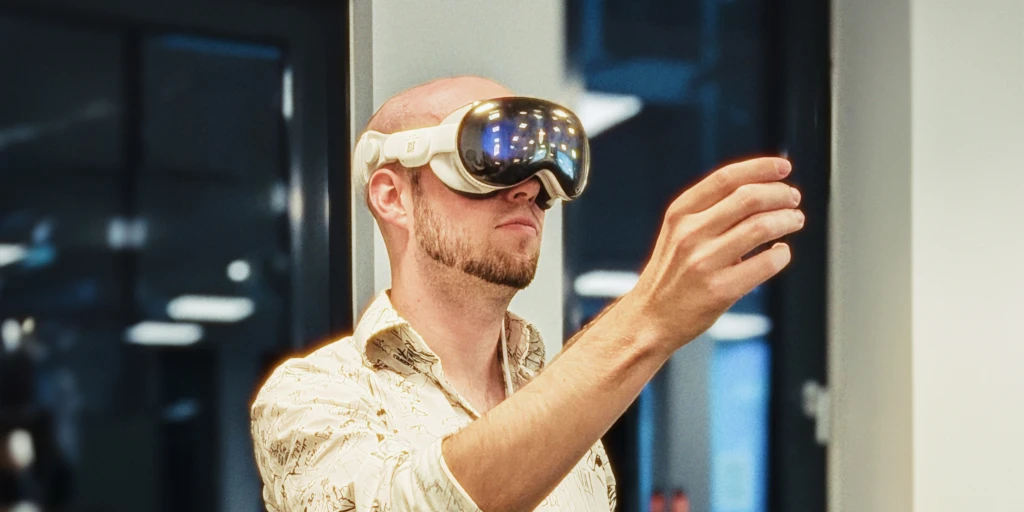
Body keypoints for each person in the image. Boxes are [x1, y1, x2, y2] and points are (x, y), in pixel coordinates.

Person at [250, 76, 805, 511]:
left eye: (547, 165)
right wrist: (644, 322)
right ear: (393, 197)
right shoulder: (312, 397)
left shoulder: (567, 412)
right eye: (489, 156)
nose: (531, 188)